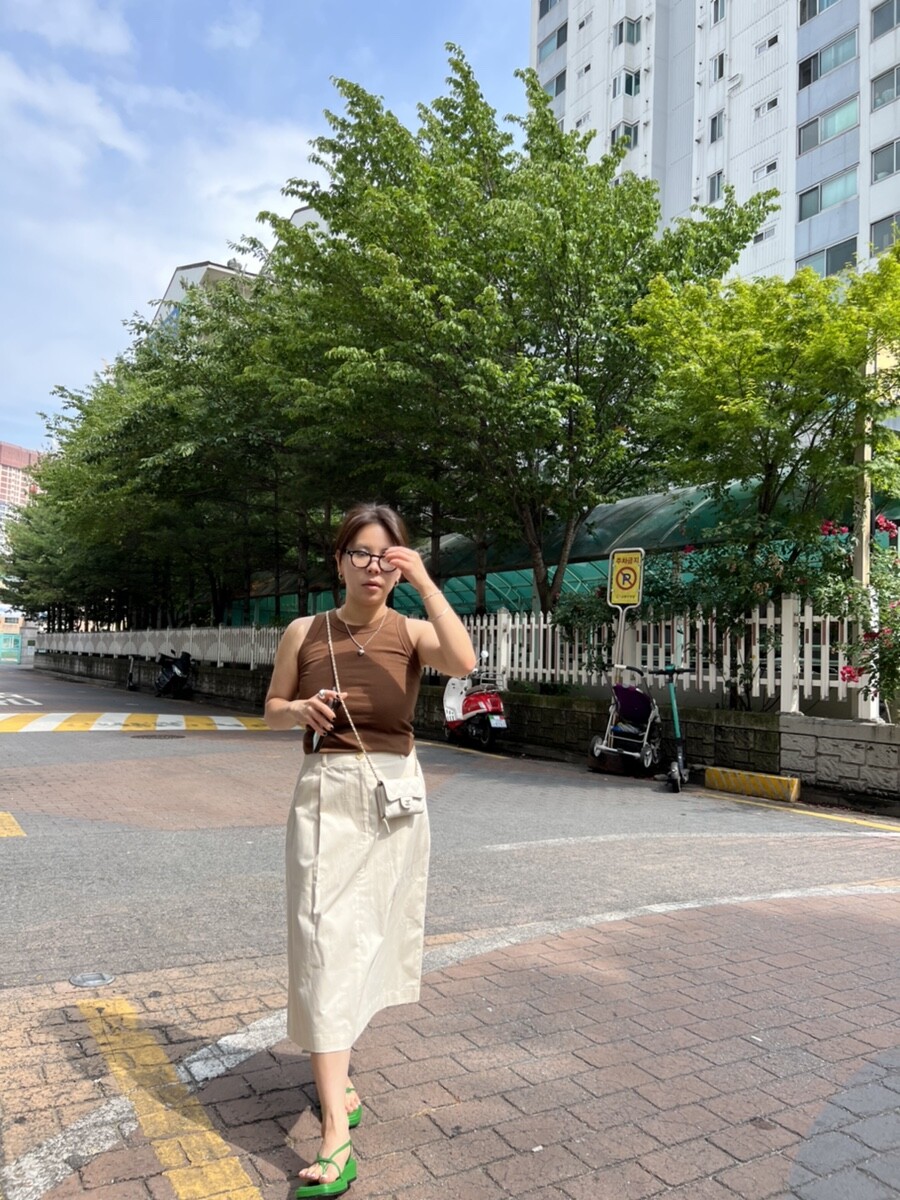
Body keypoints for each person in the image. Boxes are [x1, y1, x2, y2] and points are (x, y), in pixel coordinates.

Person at [264, 502, 476, 1197]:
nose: (374, 567)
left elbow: (465, 661)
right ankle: (336, 1133)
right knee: (322, 942)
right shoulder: (305, 631)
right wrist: (300, 710)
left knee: (366, 943)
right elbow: (271, 707)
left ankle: (339, 1075)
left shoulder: (410, 631)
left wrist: (428, 582)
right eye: (361, 553)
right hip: (325, 794)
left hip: (392, 799)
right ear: (340, 562)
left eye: (388, 557)